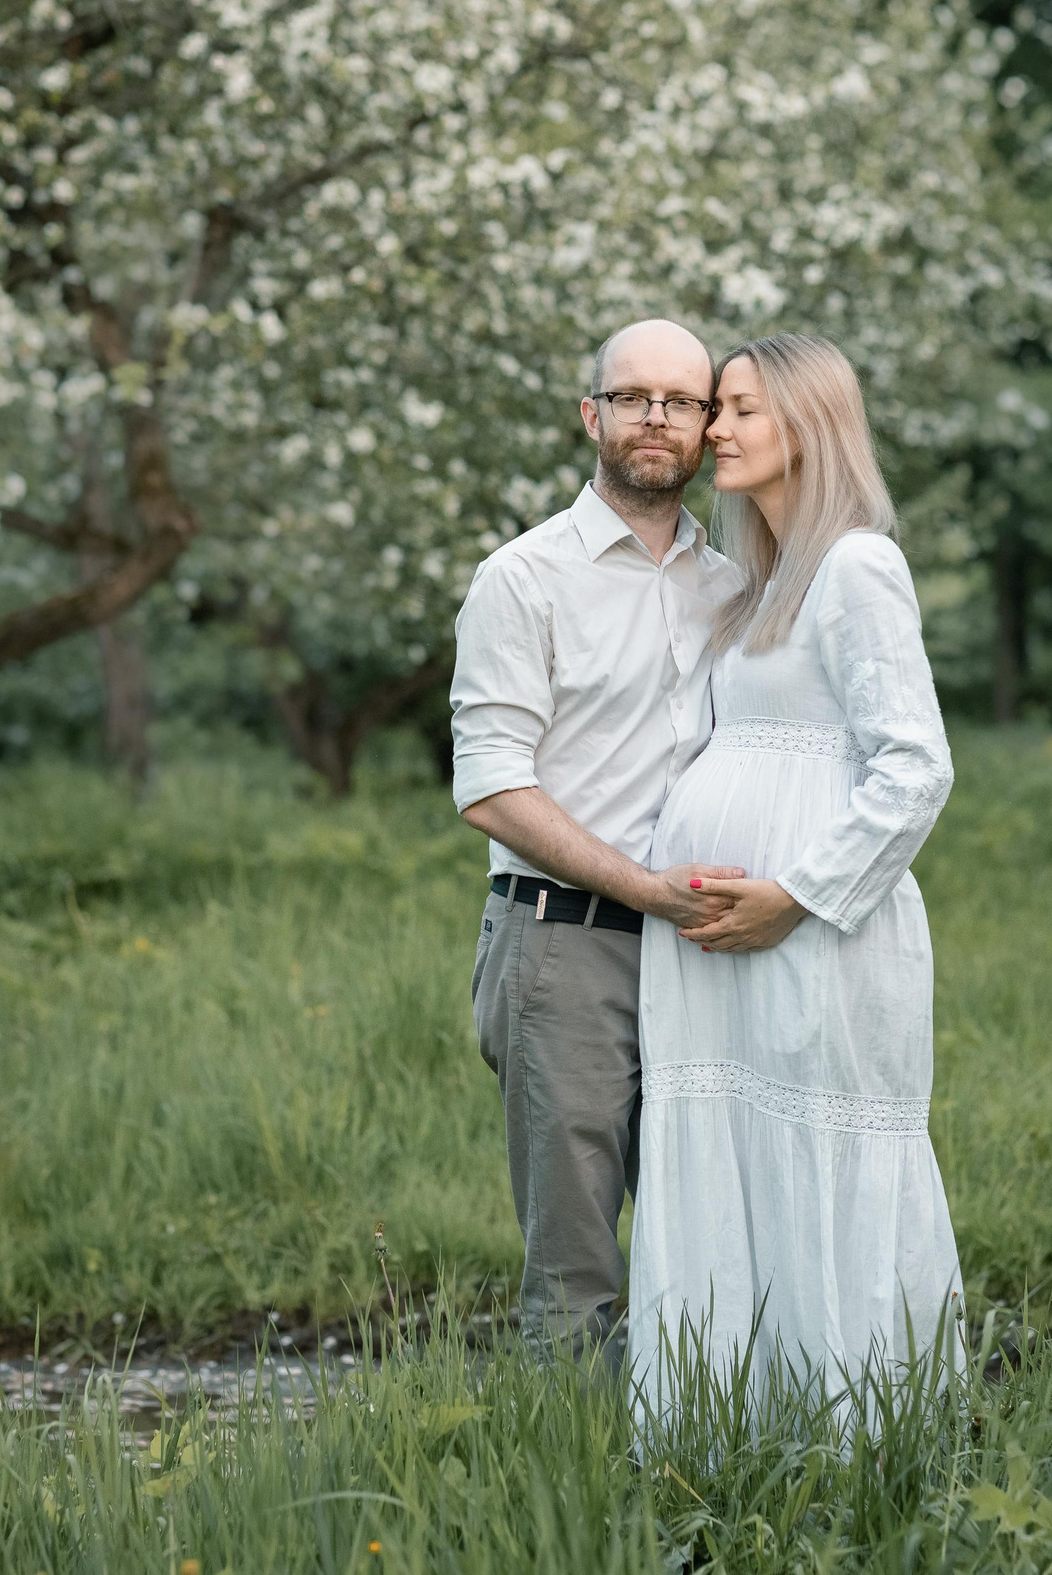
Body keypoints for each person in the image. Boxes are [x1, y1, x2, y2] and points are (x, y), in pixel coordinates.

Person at [625, 332, 965, 1416]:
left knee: (818, 1156)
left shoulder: (858, 566)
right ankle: (727, 1432)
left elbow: (915, 766)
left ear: (808, 428)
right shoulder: (759, 583)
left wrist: (797, 896)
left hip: (816, 935)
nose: (711, 431)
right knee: (733, 1161)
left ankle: (861, 1440)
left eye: (739, 410)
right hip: (719, 949)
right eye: (716, 409)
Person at [448, 318, 747, 1358]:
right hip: (562, 947)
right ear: (592, 416)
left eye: (681, 399)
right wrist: (647, 889)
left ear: (710, 426)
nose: (656, 417)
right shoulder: (523, 579)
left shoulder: (737, 587)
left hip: (707, 951)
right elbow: (491, 787)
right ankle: (575, 1503)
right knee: (576, 1276)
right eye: (632, 397)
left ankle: (699, 1480)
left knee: (703, 1244)